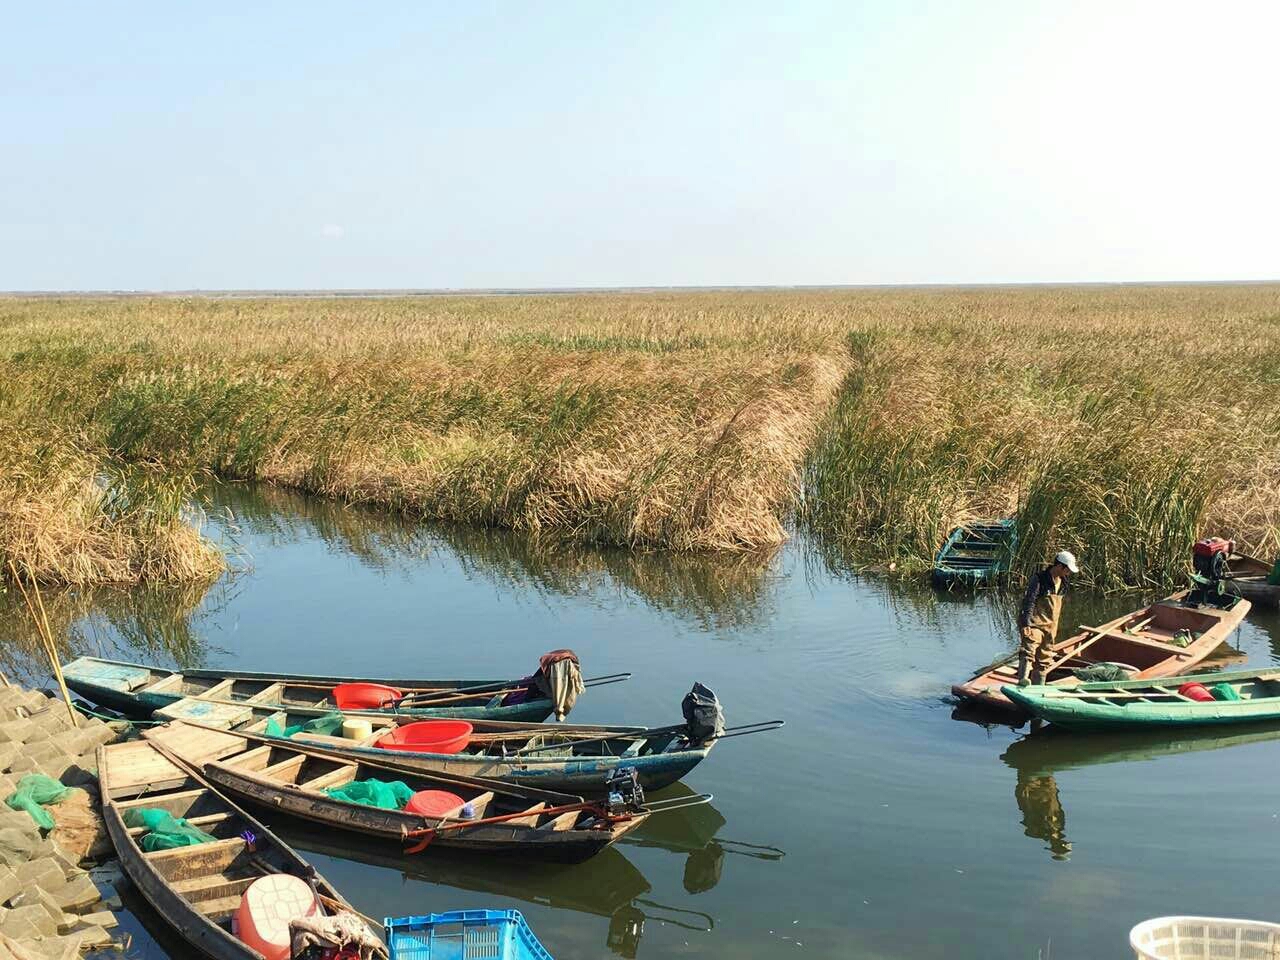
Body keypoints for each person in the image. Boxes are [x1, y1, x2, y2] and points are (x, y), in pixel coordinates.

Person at [1016, 550, 1080, 686]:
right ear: (1059, 566)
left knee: (1044, 659)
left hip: (1051, 626)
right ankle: (1022, 681)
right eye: (1067, 570)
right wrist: (1026, 623)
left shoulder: (1064, 583)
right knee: (1029, 649)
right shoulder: (1040, 579)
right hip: (1035, 623)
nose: (1068, 573)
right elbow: (1029, 601)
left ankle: (1039, 687)